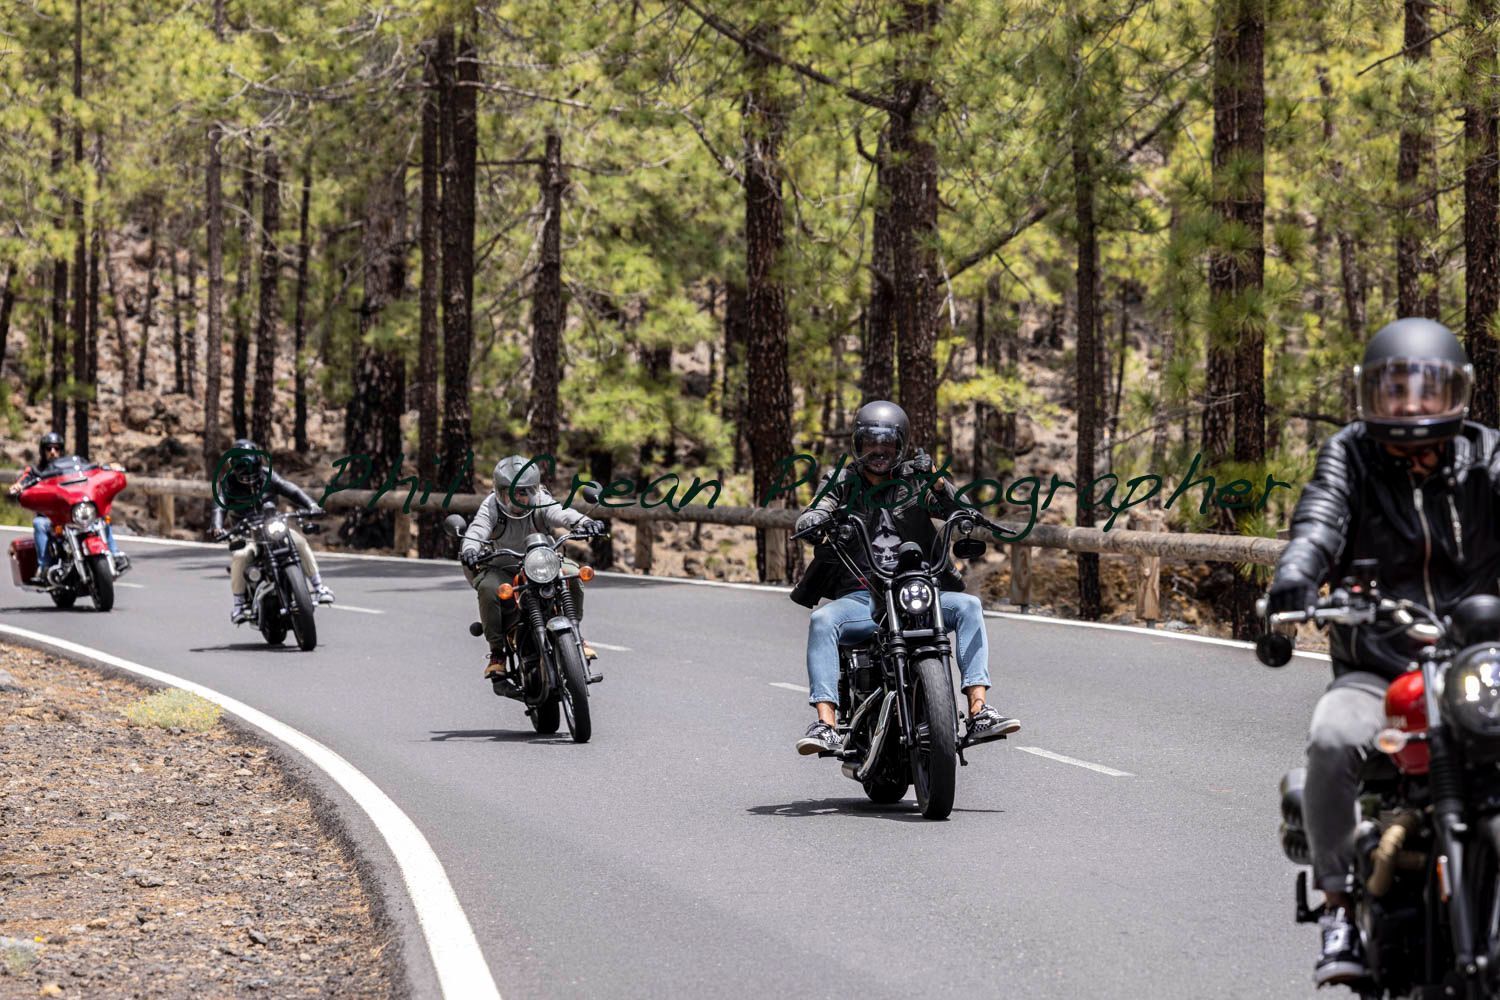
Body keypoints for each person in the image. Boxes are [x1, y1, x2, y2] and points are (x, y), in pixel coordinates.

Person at [1265, 317, 1500, 987]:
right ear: (1372, 397)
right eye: (1395, 392)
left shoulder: (1487, 456)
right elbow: (1320, 518)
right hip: (1379, 664)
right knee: (1333, 740)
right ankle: (1339, 902)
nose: (1411, 406)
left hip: (1480, 663)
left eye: (1426, 391)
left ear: (1455, 394)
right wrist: (1295, 579)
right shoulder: (1352, 455)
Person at [789, 399, 1021, 756]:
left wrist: (941, 485)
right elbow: (821, 504)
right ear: (858, 444)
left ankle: (979, 710)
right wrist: (813, 519)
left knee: (969, 606)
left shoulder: (916, 482)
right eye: (870, 443)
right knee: (822, 620)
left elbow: (954, 507)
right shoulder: (843, 482)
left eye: (888, 443)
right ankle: (827, 723)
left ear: (901, 446)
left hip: (919, 591)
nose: (879, 451)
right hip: (862, 596)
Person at [459, 455, 606, 683]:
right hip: (503, 567)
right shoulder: (491, 508)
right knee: (488, 588)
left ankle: (576, 634)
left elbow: (561, 513)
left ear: (534, 489)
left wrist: (584, 523)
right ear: (500, 491)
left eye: (525, 491)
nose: (520, 497)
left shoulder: (541, 500)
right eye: (513, 492)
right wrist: (470, 548)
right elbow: (477, 530)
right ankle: (497, 653)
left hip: (542, 563)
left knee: (572, 574)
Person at [208, 439, 334, 622]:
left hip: (272, 524)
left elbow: (291, 490)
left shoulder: (268, 475)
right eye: (243, 470)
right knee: (240, 557)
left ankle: (319, 586)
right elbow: (218, 507)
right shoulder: (227, 485)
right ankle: (238, 605)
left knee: (299, 542)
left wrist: (311, 504)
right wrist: (217, 526)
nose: (249, 475)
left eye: (252, 469)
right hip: (245, 532)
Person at [7, 430, 130, 583]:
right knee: (39, 524)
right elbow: (24, 480)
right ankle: (44, 567)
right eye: (49, 448)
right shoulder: (37, 471)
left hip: (73, 512)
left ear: (61, 450)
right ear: (42, 450)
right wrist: (19, 487)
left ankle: (115, 554)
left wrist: (108, 468)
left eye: (56, 448)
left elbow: (92, 472)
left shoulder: (72, 467)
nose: (53, 452)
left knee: (101, 518)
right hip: (51, 517)